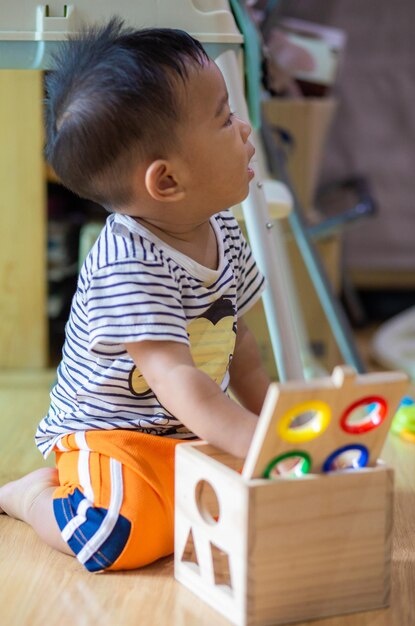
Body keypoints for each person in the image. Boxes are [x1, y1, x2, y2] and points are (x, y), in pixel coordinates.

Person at [0, 18, 270, 572]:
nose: (244, 128)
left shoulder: (224, 230)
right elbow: (178, 379)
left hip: (189, 428)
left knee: (264, 505)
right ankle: (29, 496)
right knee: (117, 539)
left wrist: (276, 430)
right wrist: (253, 441)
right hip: (112, 436)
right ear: (166, 181)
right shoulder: (127, 261)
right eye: (223, 119)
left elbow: (244, 349)